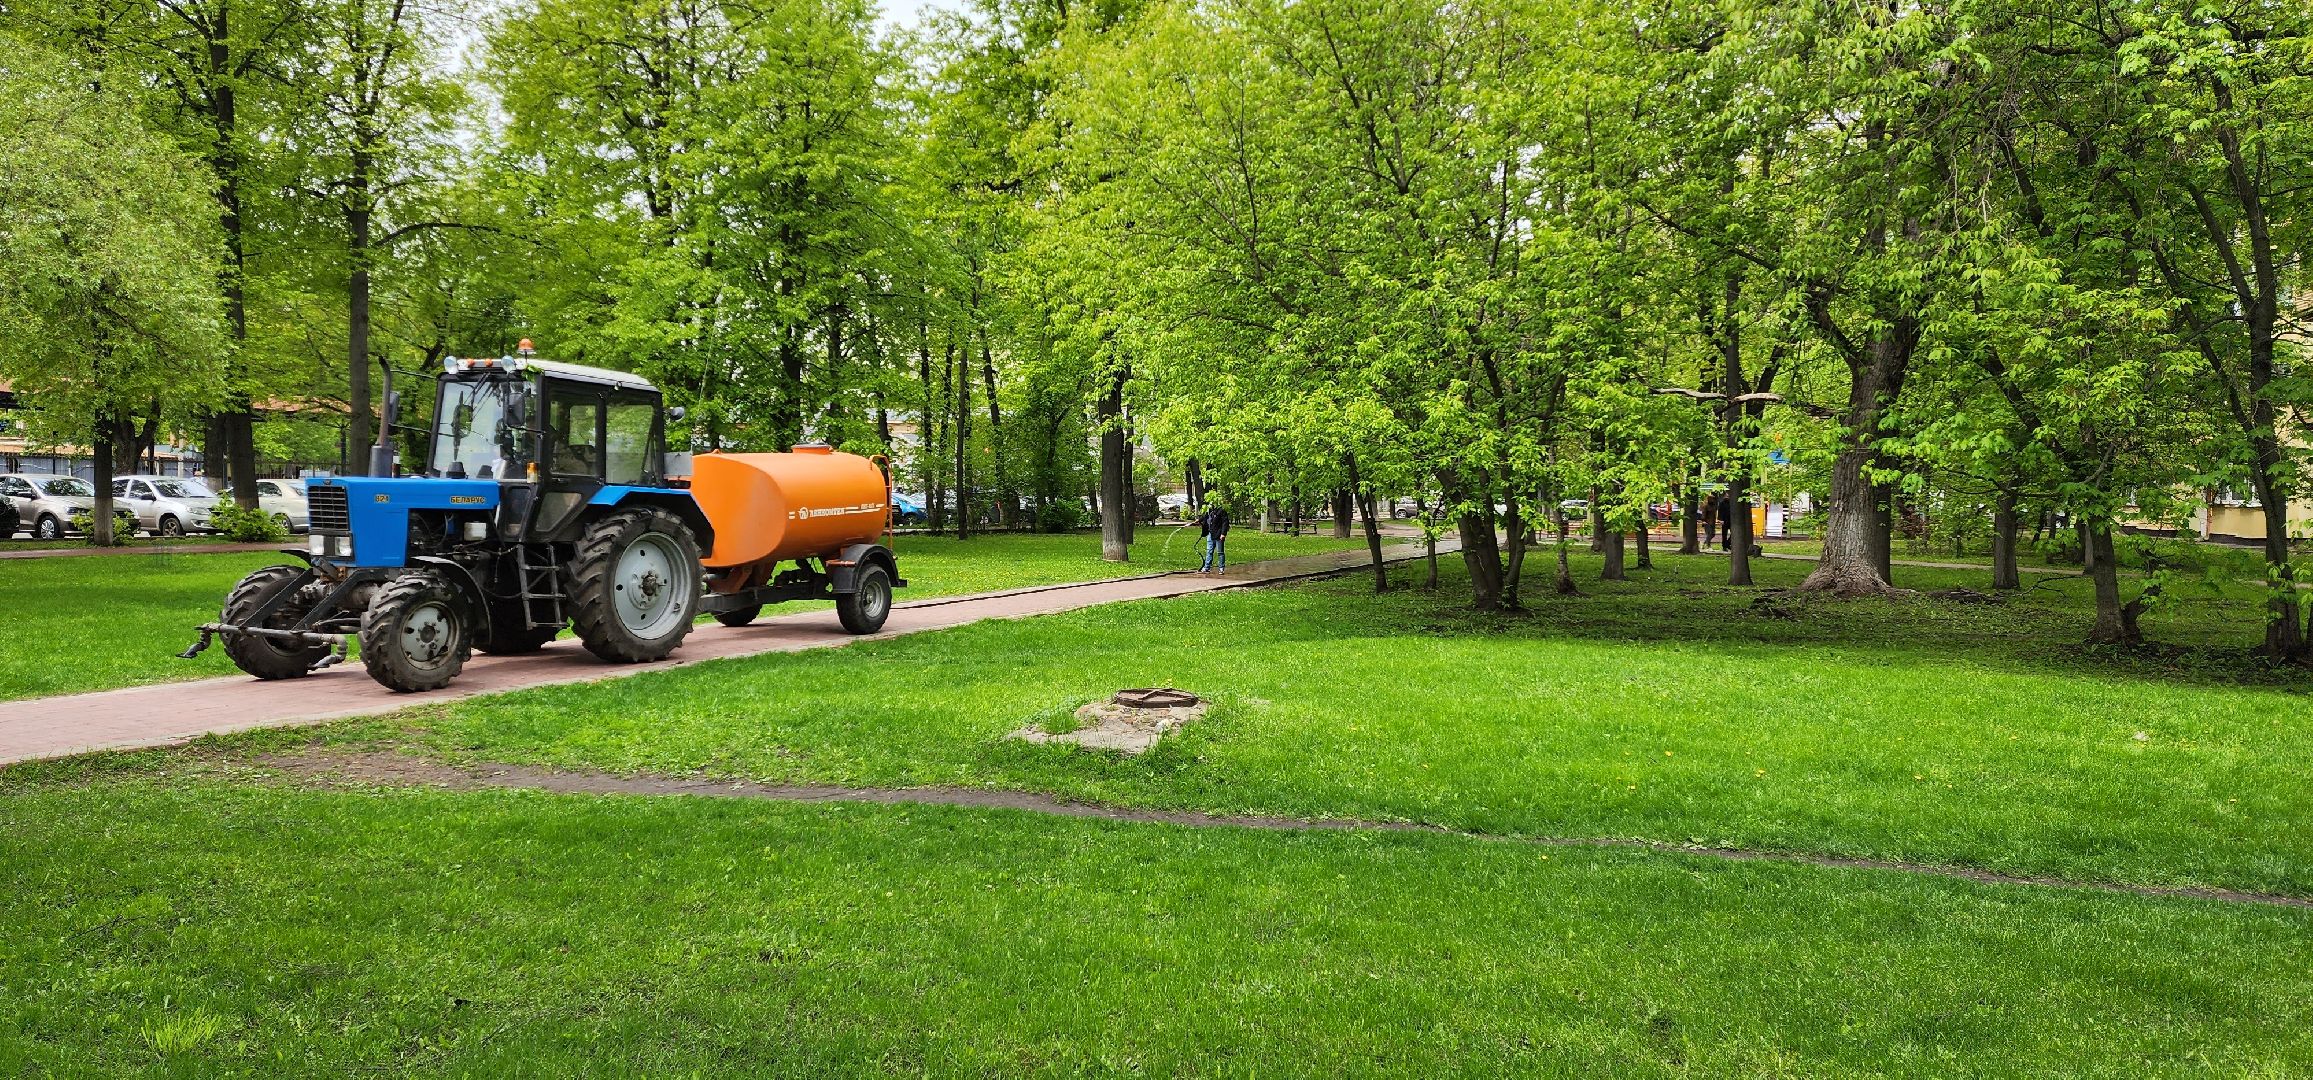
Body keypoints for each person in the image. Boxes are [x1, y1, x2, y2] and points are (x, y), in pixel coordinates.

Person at [1197, 502, 1231, 573]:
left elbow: (1225, 523)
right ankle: (1207, 567)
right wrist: (1198, 520)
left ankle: (1221, 568)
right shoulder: (1209, 511)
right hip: (1210, 534)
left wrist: (1223, 534)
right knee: (1209, 551)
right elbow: (1204, 517)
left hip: (1219, 534)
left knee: (1220, 552)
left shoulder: (1221, 511)